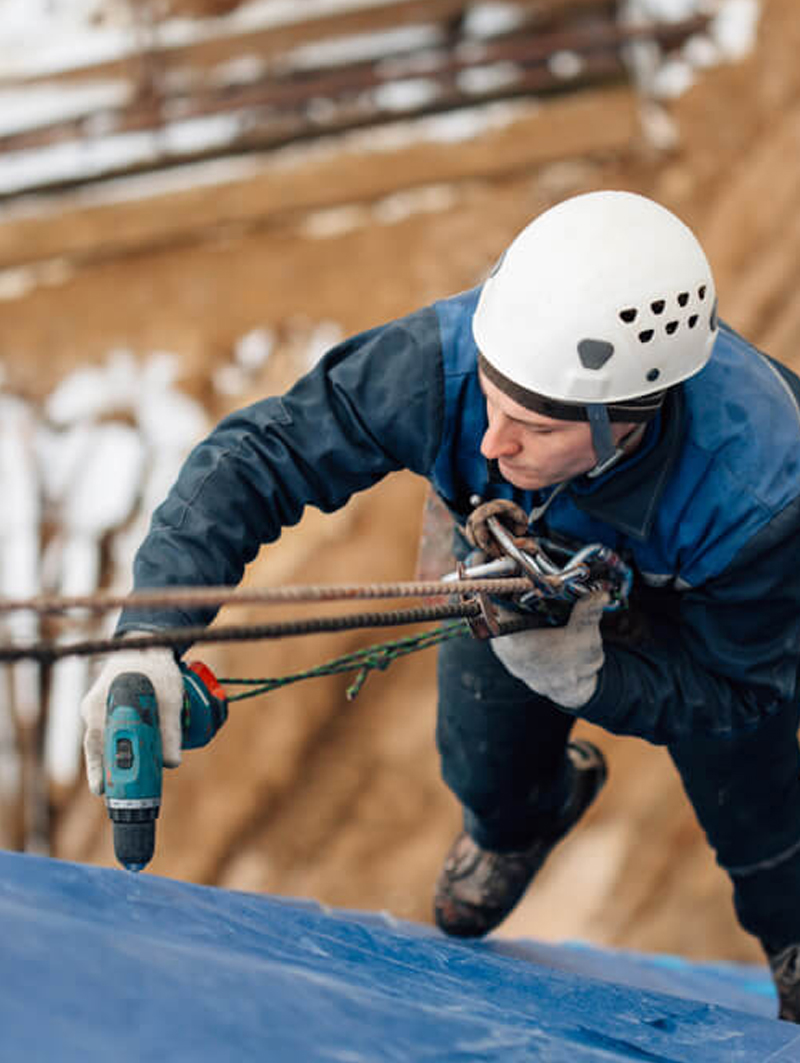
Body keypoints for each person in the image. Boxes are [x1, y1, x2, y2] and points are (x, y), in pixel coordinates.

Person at [81, 190, 800, 1022]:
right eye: (490, 404)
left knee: (752, 789)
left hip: (708, 599)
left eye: (531, 426)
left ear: (624, 421)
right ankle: (521, 818)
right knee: (482, 755)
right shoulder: (451, 359)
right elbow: (263, 456)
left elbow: (740, 688)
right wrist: (149, 635)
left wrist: (590, 679)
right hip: (523, 555)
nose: (493, 442)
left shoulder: (763, 491)